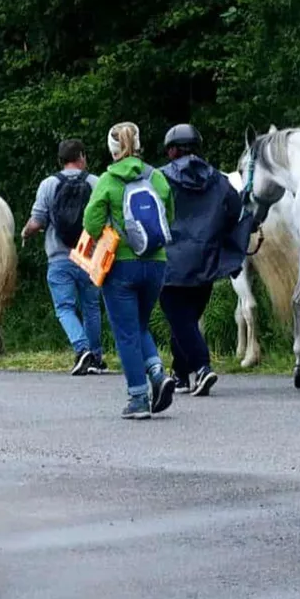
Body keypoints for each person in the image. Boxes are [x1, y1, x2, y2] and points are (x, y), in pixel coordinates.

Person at [82, 122, 176, 418]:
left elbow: (91, 223)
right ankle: (158, 374)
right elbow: (169, 216)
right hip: (156, 262)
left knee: (126, 332)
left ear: (112, 149)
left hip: (121, 266)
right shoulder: (156, 176)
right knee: (139, 324)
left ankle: (138, 398)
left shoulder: (107, 182)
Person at [159, 124, 249, 397]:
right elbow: (236, 212)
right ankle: (181, 374)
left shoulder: (160, 178)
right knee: (186, 319)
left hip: (172, 261)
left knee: (180, 319)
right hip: (207, 261)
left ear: (172, 149)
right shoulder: (219, 180)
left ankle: (202, 368)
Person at [22, 139, 104, 375]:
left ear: (61, 160)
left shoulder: (49, 184)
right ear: (82, 157)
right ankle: (96, 358)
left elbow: (37, 221)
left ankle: (81, 349)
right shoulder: (95, 182)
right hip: (89, 256)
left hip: (59, 257)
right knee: (91, 307)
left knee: (65, 308)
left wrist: (26, 232)